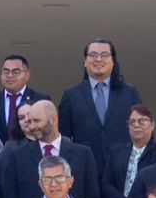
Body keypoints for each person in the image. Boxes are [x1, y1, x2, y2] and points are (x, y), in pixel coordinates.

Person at [0, 99, 100, 198]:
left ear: (53, 120)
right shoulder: (17, 157)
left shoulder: (82, 155)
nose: (32, 126)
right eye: (30, 121)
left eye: (37, 121)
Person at [58, 38, 142, 171]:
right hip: (84, 167)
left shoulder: (130, 93)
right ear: (85, 61)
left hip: (123, 167)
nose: (98, 59)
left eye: (104, 55)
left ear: (113, 61)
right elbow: (64, 138)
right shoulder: (71, 95)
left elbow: (141, 130)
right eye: (93, 55)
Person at [0, 54, 48, 143]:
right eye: (6, 72)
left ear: (28, 75)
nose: (10, 75)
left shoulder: (40, 100)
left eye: (15, 72)